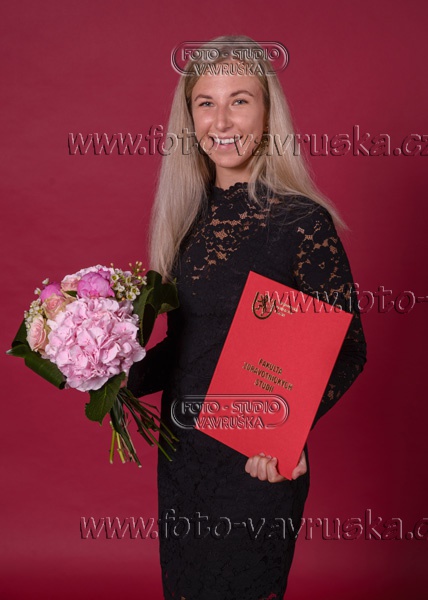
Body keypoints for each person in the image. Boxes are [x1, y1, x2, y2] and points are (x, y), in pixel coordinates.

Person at [127, 35, 367, 600]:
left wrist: (287, 433)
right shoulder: (184, 222)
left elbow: (350, 347)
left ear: (267, 111)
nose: (221, 120)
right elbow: (187, 345)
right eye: (205, 103)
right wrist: (108, 369)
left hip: (255, 462)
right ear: (189, 118)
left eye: (239, 100)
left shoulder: (302, 223)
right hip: (182, 458)